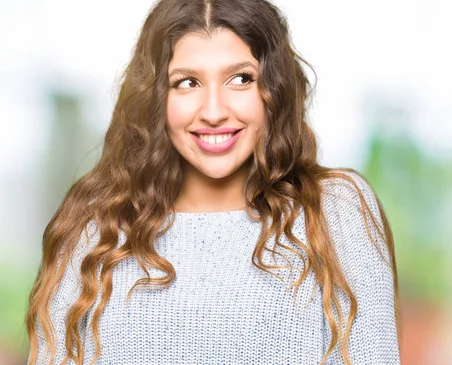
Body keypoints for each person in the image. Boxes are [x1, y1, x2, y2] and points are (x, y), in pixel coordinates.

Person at [25, 0, 402, 364]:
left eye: (240, 79)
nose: (214, 112)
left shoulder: (334, 212)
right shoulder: (96, 229)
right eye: (187, 82)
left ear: (274, 88)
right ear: (156, 99)